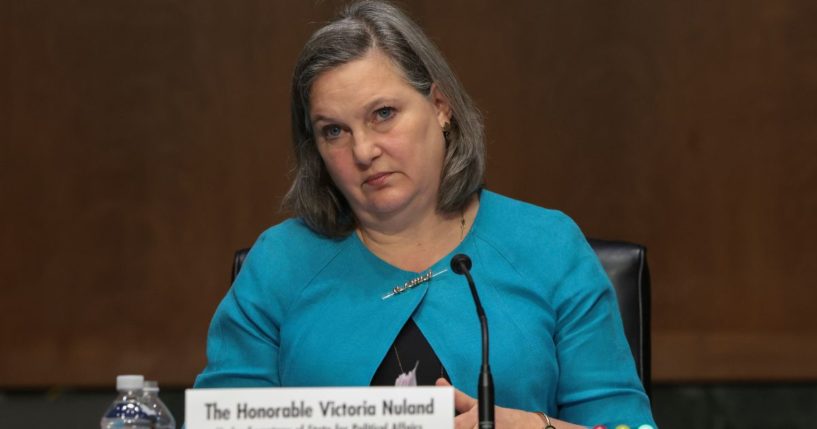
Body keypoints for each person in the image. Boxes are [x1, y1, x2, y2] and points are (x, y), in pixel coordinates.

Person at [194, 1, 656, 428]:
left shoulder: (547, 245)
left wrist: (538, 427)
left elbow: (627, 426)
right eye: (333, 130)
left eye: (384, 114)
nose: (363, 150)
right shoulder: (281, 263)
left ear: (439, 107)